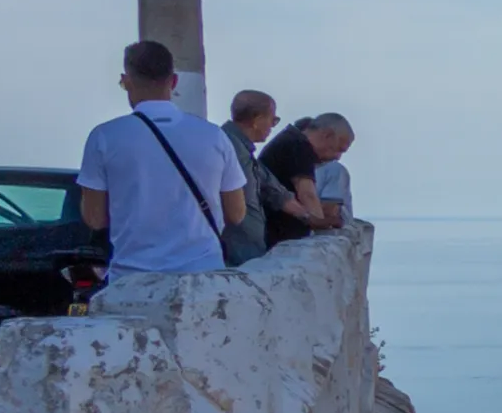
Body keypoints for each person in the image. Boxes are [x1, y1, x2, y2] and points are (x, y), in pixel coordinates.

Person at [78, 40, 244, 283]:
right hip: (204, 277)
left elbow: (95, 219)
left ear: (126, 82)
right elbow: (237, 213)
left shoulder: (104, 137)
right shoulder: (214, 136)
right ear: (174, 81)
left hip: (132, 278)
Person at [255, 112, 355, 243]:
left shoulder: (289, 140)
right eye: (338, 149)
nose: (337, 157)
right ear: (327, 135)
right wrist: (321, 228)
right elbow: (307, 194)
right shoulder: (299, 146)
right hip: (277, 236)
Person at [219, 90, 280, 264]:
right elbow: (237, 209)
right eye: (273, 120)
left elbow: (272, 187)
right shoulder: (230, 147)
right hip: (237, 253)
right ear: (257, 120)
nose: (272, 126)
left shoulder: (239, 147)